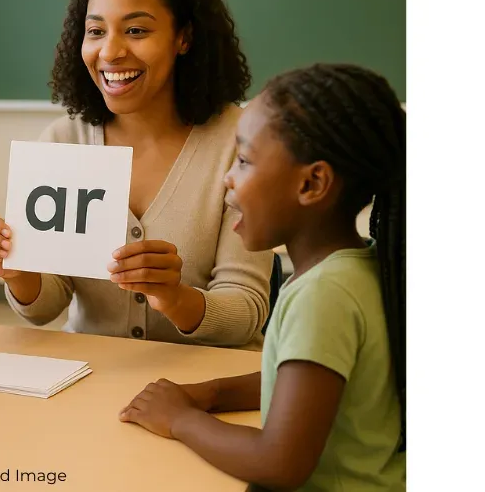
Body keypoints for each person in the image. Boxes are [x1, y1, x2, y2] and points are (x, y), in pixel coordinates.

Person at [119, 63, 406, 491]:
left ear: (313, 183)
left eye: (246, 161)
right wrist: (211, 394)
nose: (228, 178)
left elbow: (279, 464)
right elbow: (304, 379)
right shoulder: (355, 267)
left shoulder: (323, 296)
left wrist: (181, 420)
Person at [0, 0, 272, 348]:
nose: (110, 52)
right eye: (96, 31)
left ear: (184, 37)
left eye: (136, 31)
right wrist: (17, 270)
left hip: (208, 384)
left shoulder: (241, 143)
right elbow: (44, 307)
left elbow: (246, 313)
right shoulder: (64, 143)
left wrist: (174, 296)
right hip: (93, 377)